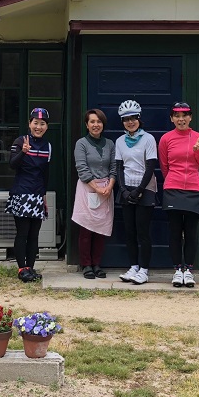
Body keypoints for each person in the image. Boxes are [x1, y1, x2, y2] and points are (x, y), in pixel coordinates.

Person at [158, 101, 199, 288]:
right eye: (177, 116)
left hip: (194, 189)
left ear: (190, 117)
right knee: (174, 232)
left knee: (191, 232)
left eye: (185, 115)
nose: (181, 119)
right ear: (172, 118)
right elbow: (164, 166)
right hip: (173, 188)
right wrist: (173, 181)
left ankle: (188, 270)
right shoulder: (166, 139)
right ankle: (176, 270)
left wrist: (197, 153)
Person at [6, 107, 52, 283]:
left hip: (38, 194)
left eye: (42, 124)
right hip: (22, 193)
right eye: (35, 123)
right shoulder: (20, 141)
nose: (38, 127)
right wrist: (23, 152)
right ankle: (21, 268)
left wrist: (44, 194)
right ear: (29, 123)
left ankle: (31, 268)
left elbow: (45, 173)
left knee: (35, 234)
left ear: (46, 126)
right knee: (22, 233)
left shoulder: (48, 146)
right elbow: (12, 165)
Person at [114, 100, 158, 285]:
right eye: (126, 119)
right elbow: (118, 166)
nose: (130, 122)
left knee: (143, 232)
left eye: (133, 118)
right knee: (130, 232)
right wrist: (123, 190)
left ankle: (144, 270)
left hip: (144, 189)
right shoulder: (119, 141)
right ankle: (133, 266)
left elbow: (150, 167)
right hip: (127, 190)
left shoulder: (148, 139)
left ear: (139, 119)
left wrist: (139, 190)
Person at [72, 108, 117, 279]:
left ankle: (97, 264)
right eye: (92, 121)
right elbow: (81, 168)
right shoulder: (81, 144)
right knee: (86, 229)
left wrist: (109, 186)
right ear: (87, 124)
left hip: (106, 188)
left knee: (100, 229)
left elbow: (114, 167)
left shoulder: (110, 144)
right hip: (87, 188)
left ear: (103, 124)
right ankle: (86, 265)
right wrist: (96, 188)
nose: (95, 125)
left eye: (98, 122)